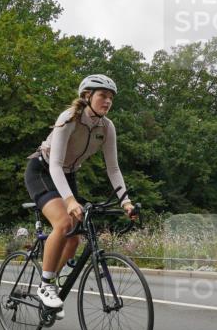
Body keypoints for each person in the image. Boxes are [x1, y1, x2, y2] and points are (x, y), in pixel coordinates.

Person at [24, 74, 137, 315]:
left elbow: (113, 168)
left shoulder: (106, 127)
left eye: (111, 98)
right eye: (102, 96)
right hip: (42, 171)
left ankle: (51, 279)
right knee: (64, 223)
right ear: (87, 96)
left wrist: (125, 201)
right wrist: (69, 200)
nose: (107, 101)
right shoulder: (69, 119)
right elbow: (55, 165)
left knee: (74, 238)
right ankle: (45, 286)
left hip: (69, 175)